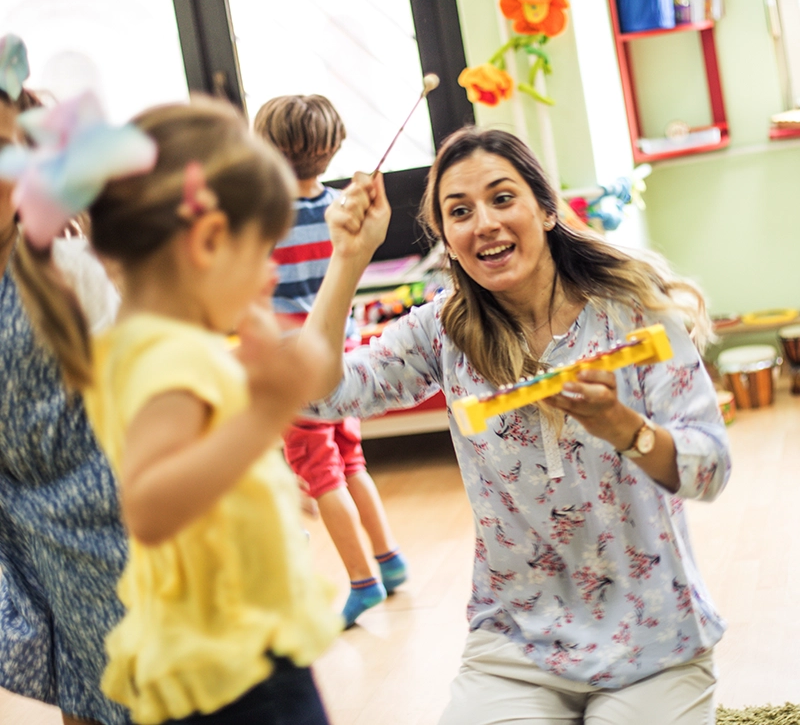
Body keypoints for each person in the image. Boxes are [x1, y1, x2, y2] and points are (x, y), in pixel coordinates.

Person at [300, 126, 731, 725]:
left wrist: (627, 429)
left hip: (655, 635)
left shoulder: (634, 310)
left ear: (546, 209)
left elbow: (710, 468)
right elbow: (314, 399)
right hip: (515, 644)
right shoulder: (442, 332)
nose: (484, 223)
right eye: (460, 211)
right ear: (448, 240)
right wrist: (347, 259)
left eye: (503, 198)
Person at [4, 91, 344, 724]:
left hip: (225, 646)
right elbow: (151, 504)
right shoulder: (165, 359)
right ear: (210, 240)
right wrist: (266, 411)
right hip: (232, 666)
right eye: (261, 253)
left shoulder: (152, 346)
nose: (270, 277)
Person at [0, 34, 130, 725]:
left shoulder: (65, 268)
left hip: (101, 509)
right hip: (19, 522)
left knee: (123, 681)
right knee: (75, 679)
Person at [253, 94, 408, 628]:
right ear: (335, 147)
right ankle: (390, 560)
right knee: (350, 460)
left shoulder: (262, 217)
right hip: (343, 362)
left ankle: (362, 583)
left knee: (320, 476)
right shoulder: (343, 209)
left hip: (294, 367)